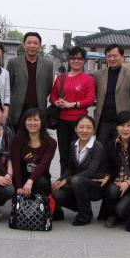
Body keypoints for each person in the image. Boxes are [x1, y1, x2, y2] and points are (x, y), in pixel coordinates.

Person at [52, 116, 109, 226]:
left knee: (76, 180)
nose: (84, 130)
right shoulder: (73, 144)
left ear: (94, 130)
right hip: (78, 183)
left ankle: (84, 216)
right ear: (76, 129)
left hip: (96, 185)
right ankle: (84, 209)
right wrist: (60, 180)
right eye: (81, 127)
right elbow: (70, 168)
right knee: (56, 191)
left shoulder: (98, 147)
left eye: (88, 127)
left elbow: (91, 172)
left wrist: (67, 180)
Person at [49, 46, 95, 174]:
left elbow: (90, 100)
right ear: (69, 60)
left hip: (80, 122)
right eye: (73, 58)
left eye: (79, 58)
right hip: (62, 121)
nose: (76, 61)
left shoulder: (88, 79)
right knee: (64, 153)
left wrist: (72, 104)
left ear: (84, 61)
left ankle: (76, 180)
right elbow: (52, 96)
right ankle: (63, 178)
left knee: (78, 154)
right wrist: (57, 102)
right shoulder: (61, 78)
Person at [93, 43, 130, 146]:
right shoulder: (98, 74)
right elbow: (95, 95)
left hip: (123, 123)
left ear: (122, 56)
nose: (112, 59)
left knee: (121, 150)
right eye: (109, 56)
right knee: (101, 150)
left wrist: (127, 109)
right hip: (103, 122)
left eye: (115, 56)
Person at [7, 32, 54, 129]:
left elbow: (49, 86)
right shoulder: (13, 63)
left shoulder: (48, 64)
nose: (32, 46)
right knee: (17, 136)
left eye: (35, 43)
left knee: (37, 137)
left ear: (40, 46)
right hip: (18, 110)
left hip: (38, 109)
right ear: (24, 45)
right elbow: (8, 86)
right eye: (29, 43)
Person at [11, 108, 57, 198]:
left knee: (42, 183)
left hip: (39, 178)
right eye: (29, 119)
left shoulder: (51, 142)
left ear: (42, 122)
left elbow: (43, 165)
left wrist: (30, 181)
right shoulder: (18, 140)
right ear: (24, 122)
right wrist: (19, 186)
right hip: (21, 178)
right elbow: (16, 165)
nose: (32, 123)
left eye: (36, 120)